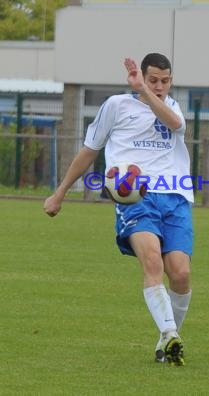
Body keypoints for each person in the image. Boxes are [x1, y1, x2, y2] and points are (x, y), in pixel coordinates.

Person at [43, 53, 193, 366]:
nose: (159, 86)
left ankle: (167, 339)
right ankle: (168, 333)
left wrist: (147, 91)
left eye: (165, 81)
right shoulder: (116, 105)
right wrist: (60, 194)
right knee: (152, 262)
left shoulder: (172, 107)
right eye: (153, 80)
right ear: (142, 76)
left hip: (175, 197)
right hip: (134, 197)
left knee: (180, 273)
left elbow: (176, 124)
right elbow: (88, 152)